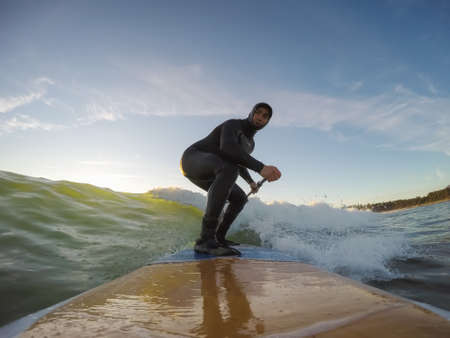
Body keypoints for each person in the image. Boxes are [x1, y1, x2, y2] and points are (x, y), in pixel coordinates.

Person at [180, 102, 282, 256]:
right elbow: (228, 149)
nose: (260, 117)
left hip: (215, 169)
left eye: (265, 116)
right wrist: (261, 167)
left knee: (240, 198)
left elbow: (238, 160)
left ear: (267, 122)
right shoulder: (233, 125)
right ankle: (205, 241)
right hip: (192, 159)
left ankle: (219, 237)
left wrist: (251, 182)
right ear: (251, 112)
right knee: (228, 168)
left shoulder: (250, 144)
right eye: (258, 112)